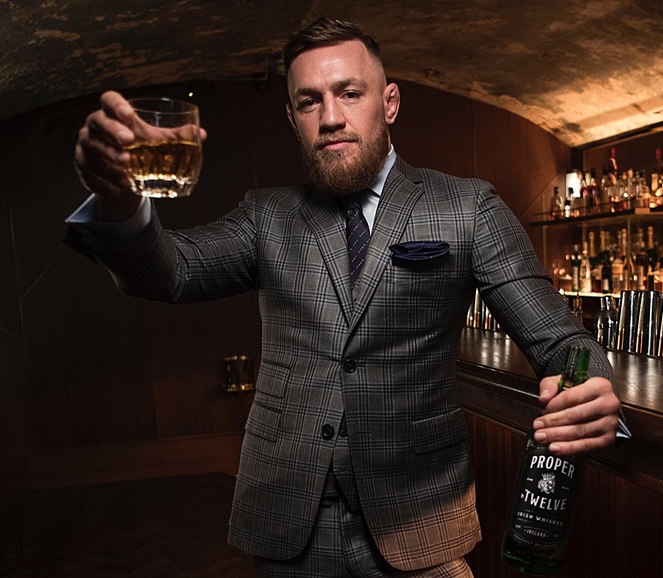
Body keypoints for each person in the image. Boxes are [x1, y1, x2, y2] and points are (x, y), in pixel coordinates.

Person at [68, 17, 624, 578]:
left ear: (389, 103)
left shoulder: (467, 207)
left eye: (350, 93)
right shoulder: (267, 215)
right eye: (309, 101)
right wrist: (118, 200)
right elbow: (170, 273)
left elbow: (560, 340)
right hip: (288, 518)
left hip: (419, 519)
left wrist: (592, 388)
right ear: (293, 119)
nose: (330, 117)